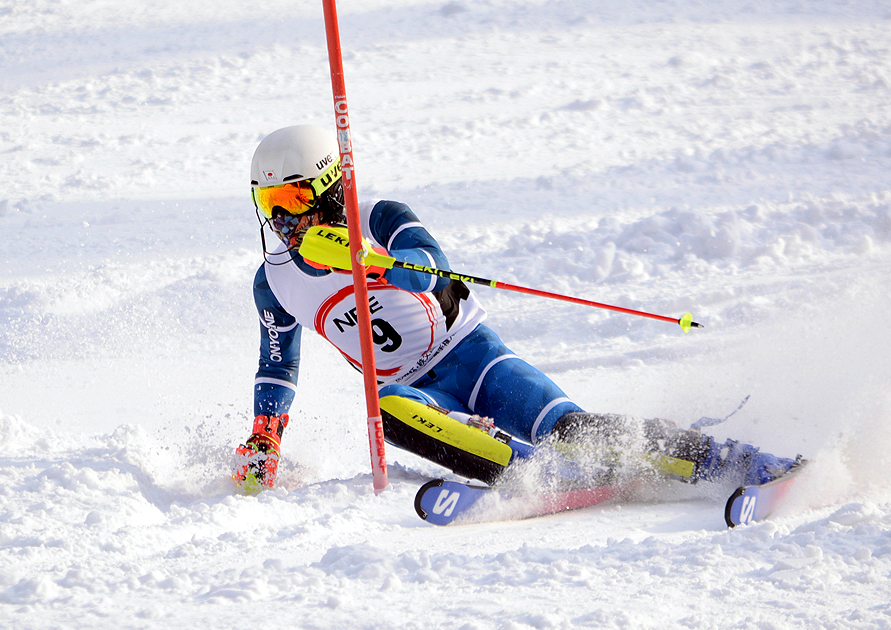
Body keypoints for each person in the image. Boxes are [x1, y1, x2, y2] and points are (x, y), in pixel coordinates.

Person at [234, 124, 800, 493]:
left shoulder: (378, 214)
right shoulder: (274, 281)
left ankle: (735, 461)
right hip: (417, 392)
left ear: (330, 186)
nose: (281, 223)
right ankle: (536, 473)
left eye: (291, 201)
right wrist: (266, 438)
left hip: (474, 358)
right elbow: (277, 364)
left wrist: (373, 260)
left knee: (572, 427)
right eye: (268, 205)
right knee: (385, 409)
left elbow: (432, 265)